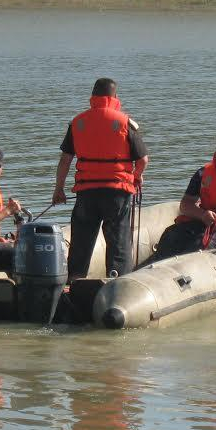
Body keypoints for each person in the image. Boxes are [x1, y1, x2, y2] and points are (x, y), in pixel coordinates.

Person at [52, 78, 149, 281]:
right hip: (117, 192)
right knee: (119, 242)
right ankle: (118, 281)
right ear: (114, 98)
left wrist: (59, 189)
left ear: (93, 97)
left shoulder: (78, 122)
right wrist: (136, 177)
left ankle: (74, 281)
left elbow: (65, 160)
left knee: (81, 242)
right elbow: (143, 159)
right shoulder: (124, 122)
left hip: (86, 192)